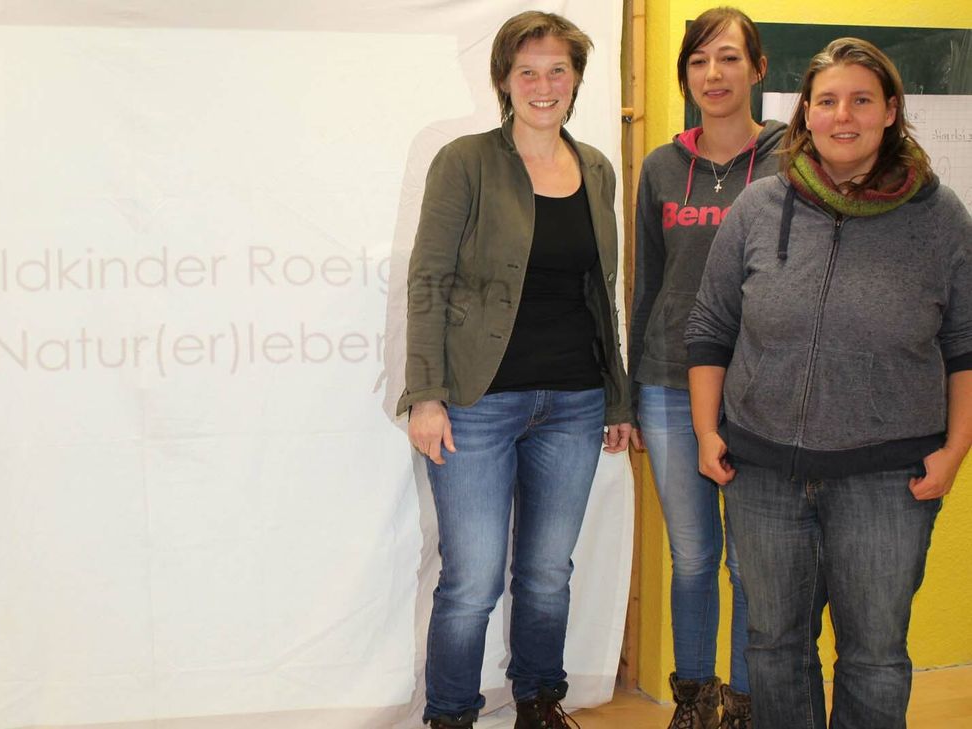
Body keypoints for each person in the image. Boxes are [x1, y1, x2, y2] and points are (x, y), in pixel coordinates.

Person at [686, 37, 972, 729]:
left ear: (889, 110)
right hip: (761, 474)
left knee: (873, 655)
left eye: (860, 99)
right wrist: (704, 431)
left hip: (886, 478)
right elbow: (709, 327)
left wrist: (955, 447)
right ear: (805, 114)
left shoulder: (940, 219)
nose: (842, 115)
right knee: (775, 648)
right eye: (826, 100)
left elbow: (964, 344)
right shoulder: (757, 208)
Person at [396, 11, 631, 729]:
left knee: (547, 574)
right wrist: (426, 394)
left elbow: (601, 290)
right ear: (502, 79)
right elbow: (428, 277)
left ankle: (538, 701)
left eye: (557, 69)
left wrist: (615, 397)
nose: (542, 84)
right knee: (470, 579)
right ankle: (450, 714)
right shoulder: (463, 160)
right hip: (475, 400)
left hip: (573, 401)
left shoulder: (594, 165)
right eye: (526, 69)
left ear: (576, 80)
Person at [628, 8, 783, 728]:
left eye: (727, 59)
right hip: (666, 381)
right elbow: (645, 283)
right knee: (692, 554)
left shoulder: (792, 159)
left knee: (751, 561)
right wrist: (626, 394)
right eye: (697, 62)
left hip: (760, 389)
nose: (711, 75)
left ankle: (746, 705)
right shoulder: (660, 166)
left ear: (757, 68)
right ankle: (692, 699)